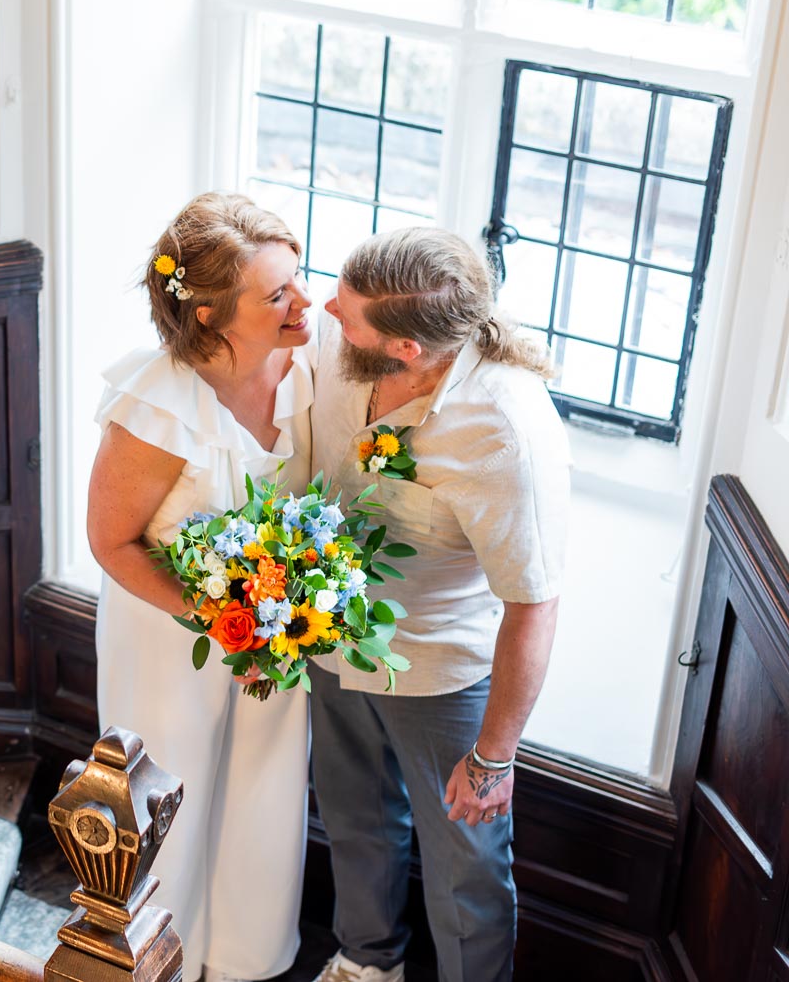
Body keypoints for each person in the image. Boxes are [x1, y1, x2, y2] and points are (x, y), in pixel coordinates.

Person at [306, 228, 569, 982]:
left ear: (407, 350)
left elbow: (534, 604)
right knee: (354, 821)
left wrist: (493, 758)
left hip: (439, 672)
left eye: (348, 312)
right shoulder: (342, 338)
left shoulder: (504, 435)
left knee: (467, 868)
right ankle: (366, 962)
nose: (328, 310)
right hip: (330, 641)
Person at [88, 192, 315, 982]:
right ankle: (159, 962)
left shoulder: (307, 366)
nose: (304, 302)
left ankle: (246, 959)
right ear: (213, 315)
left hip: (278, 630)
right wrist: (222, 624)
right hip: (168, 634)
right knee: (169, 802)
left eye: (299, 278)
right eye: (278, 293)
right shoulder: (155, 410)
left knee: (265, 786)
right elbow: (110, 542)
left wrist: (282, 621)